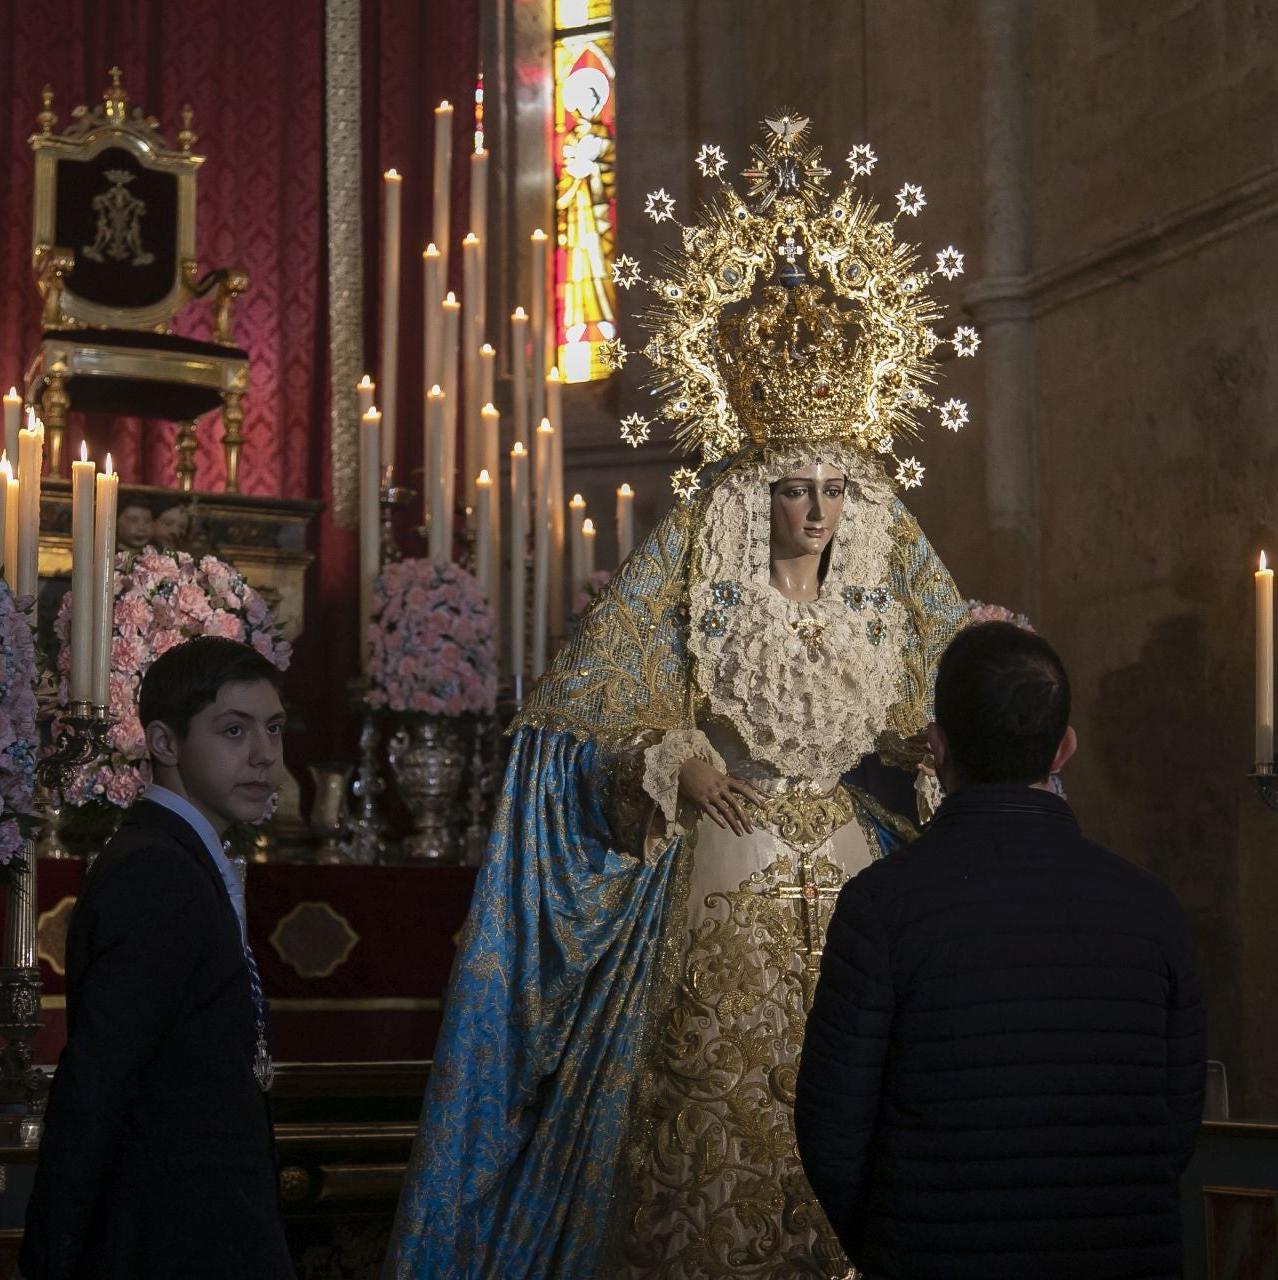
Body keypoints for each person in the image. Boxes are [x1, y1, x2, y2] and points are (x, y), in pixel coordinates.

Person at [386, 114, 968, 1279]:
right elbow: (583, 726)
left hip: (857, 874)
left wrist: (938, 766)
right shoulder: (701, 568)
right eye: (793, 488)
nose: (816, 509)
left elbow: (953, 713)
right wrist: (674, 760)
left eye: (832, 491)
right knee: (718, 1106)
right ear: (760, 497)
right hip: (727, 867)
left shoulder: (883, 591)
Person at [796, 622, 1207, 1279]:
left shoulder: (880, 907)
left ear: (936, 745)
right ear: (1064, 750)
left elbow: (831, 1134)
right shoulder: (1151, 910)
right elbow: (1179, 1121)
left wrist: (897, 1244)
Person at [19, 637, 293, 1280]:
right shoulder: (156, 871)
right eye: (234, 731)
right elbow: (98, 1076)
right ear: (165, 744)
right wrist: (53, 1251)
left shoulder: (180, 857)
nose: (265, 757)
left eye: (274, 730)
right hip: (171, 1237)